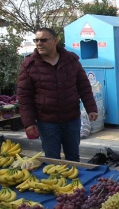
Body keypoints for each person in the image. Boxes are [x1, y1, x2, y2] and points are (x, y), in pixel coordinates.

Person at [17, 28, 98, 162]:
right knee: (52, 159)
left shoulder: (71, 60)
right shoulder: (29, 65)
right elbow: (24, 97)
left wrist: (91, 108)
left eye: (43, 40)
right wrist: (29, 123)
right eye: (36, 40)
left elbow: (84, 86)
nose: (39, 43)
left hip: (71, 119)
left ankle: (74, 182)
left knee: (73, 157)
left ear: (55, 41)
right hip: (47, 122)